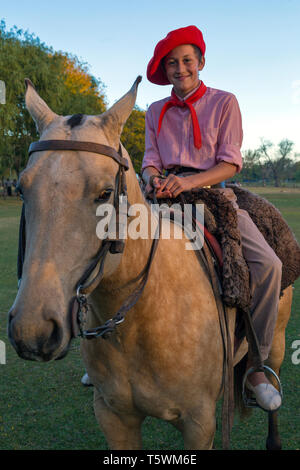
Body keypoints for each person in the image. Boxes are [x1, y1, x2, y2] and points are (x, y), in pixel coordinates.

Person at [141, 25, 282, 411]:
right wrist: (156, 182)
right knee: (108, 241)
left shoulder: (225, 102)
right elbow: (150, 161)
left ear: (201, 62)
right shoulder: (155, 110)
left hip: (212, 195)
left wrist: (188, 185)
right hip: (162, 194)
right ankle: (105, 350)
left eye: (187, 60)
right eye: (172, 63)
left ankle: (256, 364)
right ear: (165, 70)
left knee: (269, 265)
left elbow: (229, 163)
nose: (180, 68)